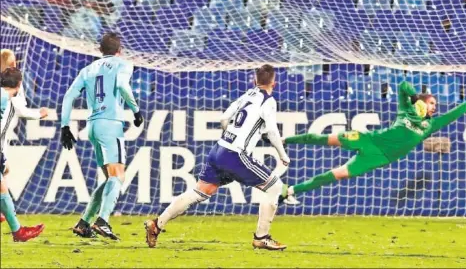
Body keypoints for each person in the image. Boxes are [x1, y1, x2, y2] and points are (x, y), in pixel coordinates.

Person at [144, 64, 290, 251]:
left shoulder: (247, 95)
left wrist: (232, 135)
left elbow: (224, 118)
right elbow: (271, 130)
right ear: (274, 83)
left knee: (199, 192)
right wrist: (283, 155)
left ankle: (157, 224)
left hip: (219, 149)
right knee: (275, 187)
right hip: (236, 155)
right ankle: (261, 237)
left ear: (255, 80)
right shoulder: (268, 101)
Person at [279, 79, 466, 202]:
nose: (434, 107)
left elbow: (455, 113)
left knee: (337, 175)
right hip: (368, 140)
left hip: (379, 157)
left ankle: (289, 191)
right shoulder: (406, 110)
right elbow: (403, 85)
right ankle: (285, 139)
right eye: (431, 103)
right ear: (422, 103)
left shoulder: (430, 125)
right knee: (325, 139)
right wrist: (414, 98)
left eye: (435, 105)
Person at [60, 33, 144, 240]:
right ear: (120, 49)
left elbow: (69, 96)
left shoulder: (87, 69)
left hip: (93, 126)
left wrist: (64, 126)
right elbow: (123, 87)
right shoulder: (123, 64)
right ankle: (103, 221)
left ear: (100, 50)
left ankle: (84, 223)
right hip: (111, 124)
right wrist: (135, 110)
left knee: (109, 177)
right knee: (118, 176)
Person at [0, 49, 48, 224]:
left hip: (3, 136)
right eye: (13, 62)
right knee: (4, 172)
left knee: (5, 170)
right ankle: (16, 229)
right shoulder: (10, 90)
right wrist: (40, 113)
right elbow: (22, 110)